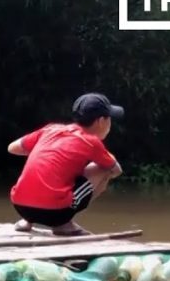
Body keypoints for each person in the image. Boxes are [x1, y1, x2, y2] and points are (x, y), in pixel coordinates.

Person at [7, 93, 125, 236]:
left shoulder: (51, 129)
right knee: (102, 169)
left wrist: (50, 152)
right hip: (56, 213)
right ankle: (64, 223)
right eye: (110, 119)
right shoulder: (91, 142)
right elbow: (116, 170)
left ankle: (27, 220)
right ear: (101, 121)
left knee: (58, 175)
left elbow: (12, 148)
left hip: (20, 205)